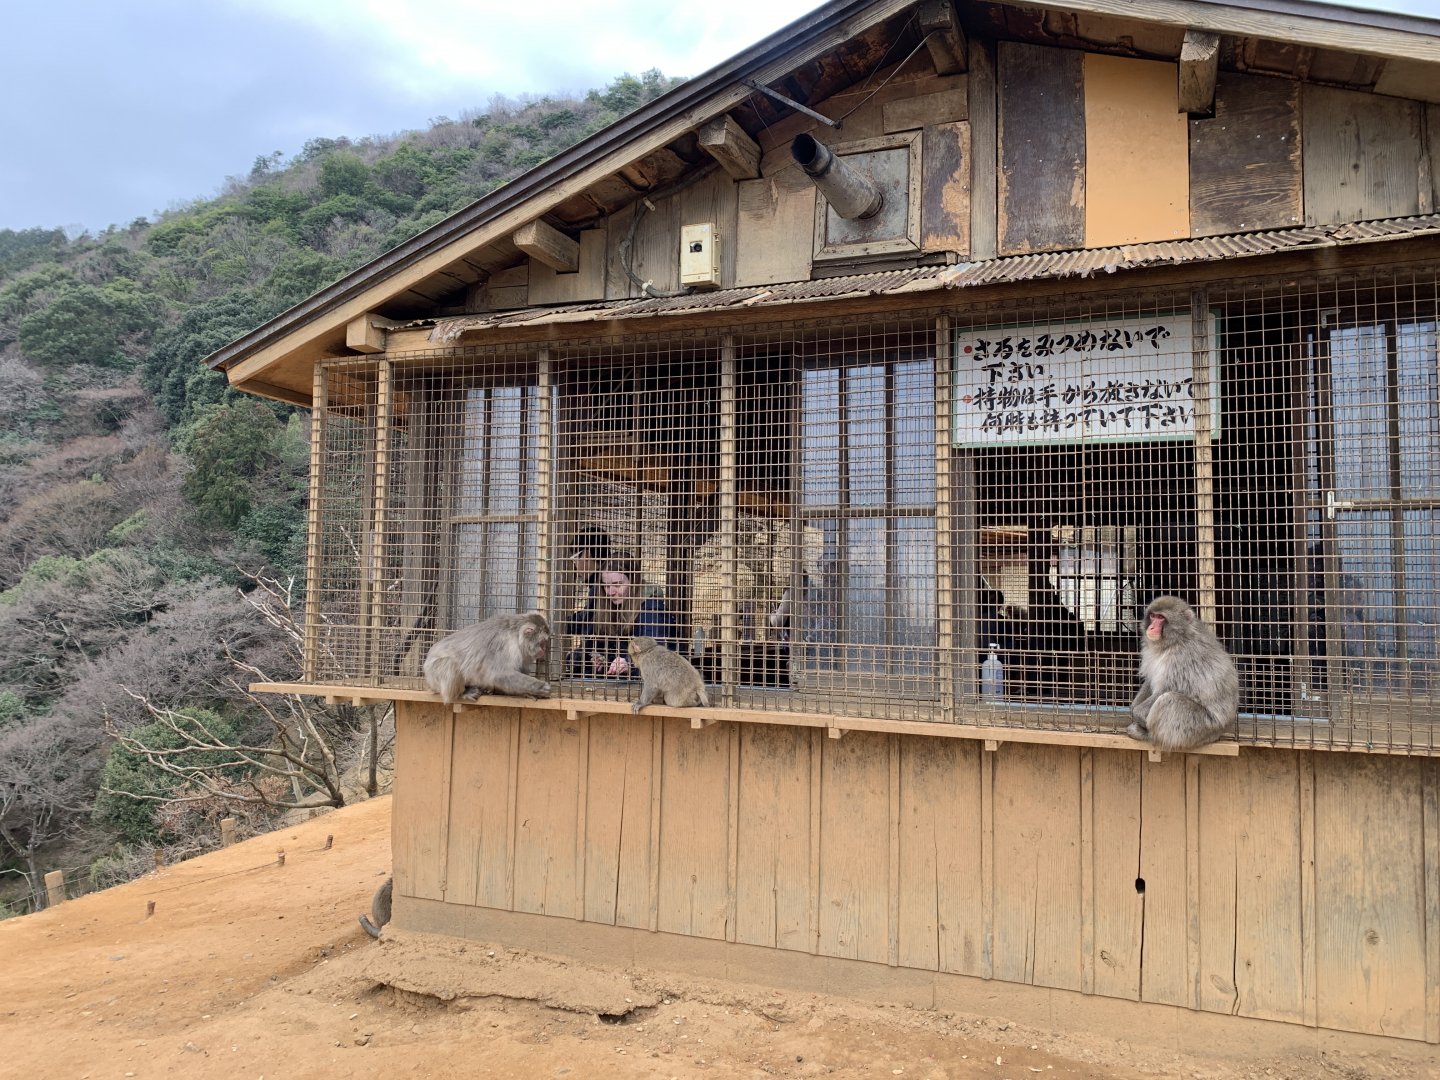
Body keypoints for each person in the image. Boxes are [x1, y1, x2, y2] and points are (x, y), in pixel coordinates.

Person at [565, 553, 676, 677]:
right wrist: (600, 661)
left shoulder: (652, 610)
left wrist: (629, 664)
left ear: (633, 581)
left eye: (617, 585)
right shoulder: (607, 606)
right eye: (606, 585)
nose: (611, 592)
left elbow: (658, 659)